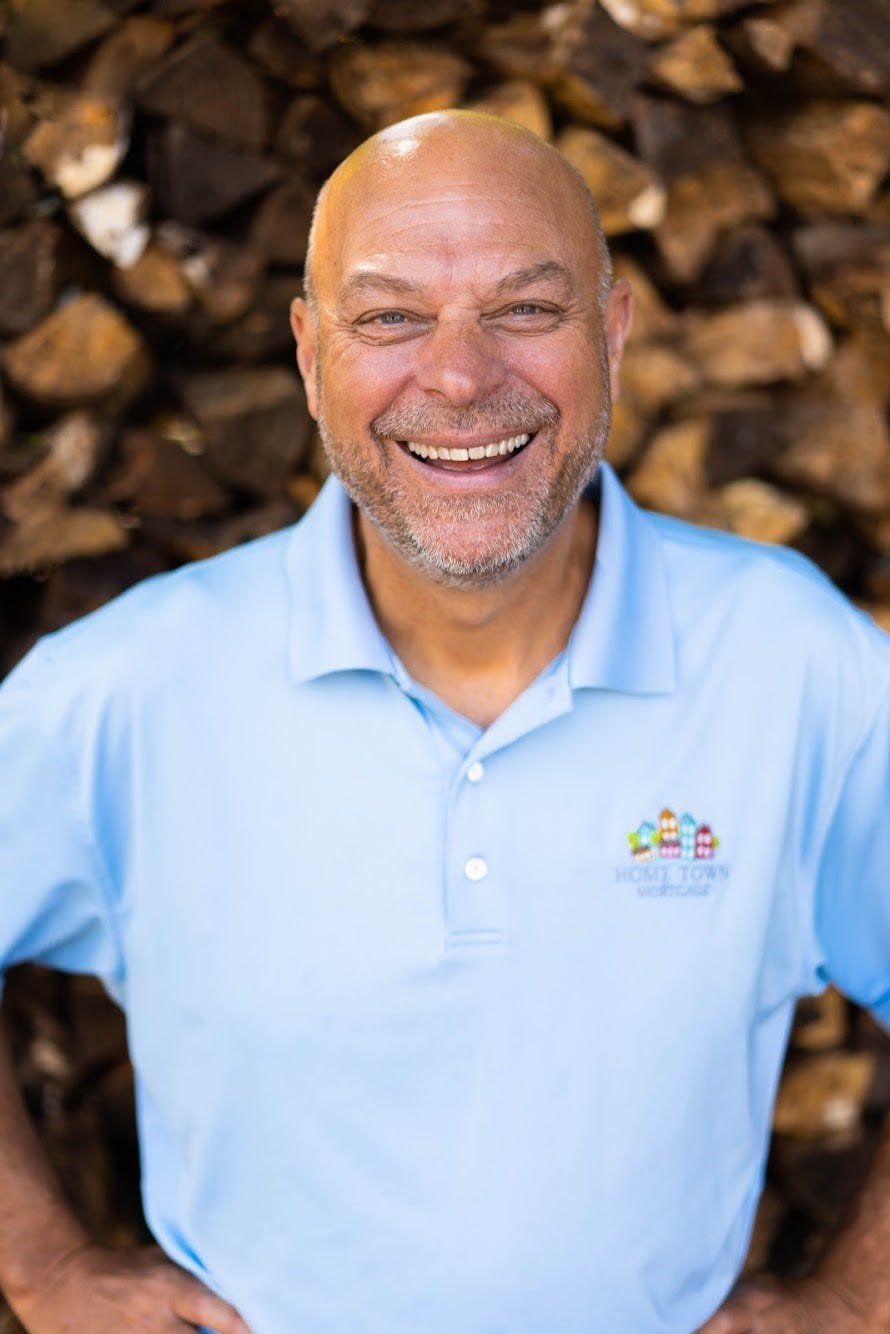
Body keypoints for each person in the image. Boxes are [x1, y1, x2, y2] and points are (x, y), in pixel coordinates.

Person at [0, 110, 887, 1334]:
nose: (461, 375)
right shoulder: (128, 686)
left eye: (526, 308)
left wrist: (854, 1296)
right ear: (310, 358)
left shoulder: (798, 666)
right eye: (387, 317)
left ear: (612, 335)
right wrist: (39, 1265)